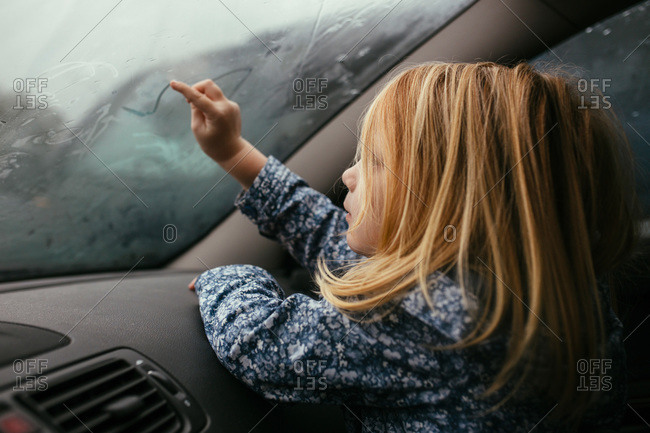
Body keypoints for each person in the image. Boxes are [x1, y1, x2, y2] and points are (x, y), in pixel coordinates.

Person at [169, 61, 640, 432]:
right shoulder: (562, 296)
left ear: (449, 198)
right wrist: (234, 153)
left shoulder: (425, 319)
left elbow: (259, 346)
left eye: (373, 160)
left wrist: (230, 277)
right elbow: (341, 246)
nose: (347, 175)